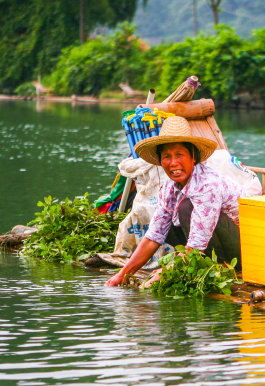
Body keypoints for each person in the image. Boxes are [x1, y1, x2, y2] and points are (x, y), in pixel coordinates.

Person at [105, 115, 249, 287]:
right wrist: (122, 275)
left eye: (180, 155)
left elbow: (196, 246)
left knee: (185, 207)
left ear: (193, 157)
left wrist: (165, 273)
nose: (173, 163)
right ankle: (198, 265)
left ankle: (219, 267)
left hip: (244, 250)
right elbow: (153, 237)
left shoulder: (207, 186)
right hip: (208, 246)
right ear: (159, 161)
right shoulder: (169, 189)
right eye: (167, 156)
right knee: (170, 219)